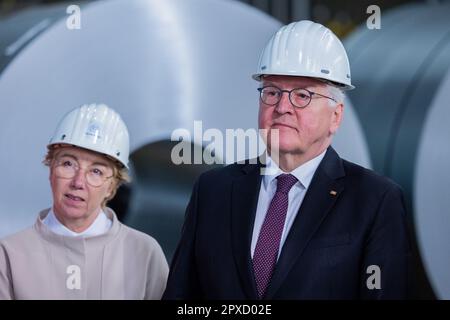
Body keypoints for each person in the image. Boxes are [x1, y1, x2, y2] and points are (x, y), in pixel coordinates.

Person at [163, 20, 411, 299]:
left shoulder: (374, 200)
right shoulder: (212, 191)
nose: (282, 107)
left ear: (336, 116)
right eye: (272, 92)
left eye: (302, 95)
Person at [0, 103, 168, 299]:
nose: (78, 182)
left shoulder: (145, 253)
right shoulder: (9, 254)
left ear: (112, 187)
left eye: (96, 171)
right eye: (68, 164)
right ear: (51, 170)